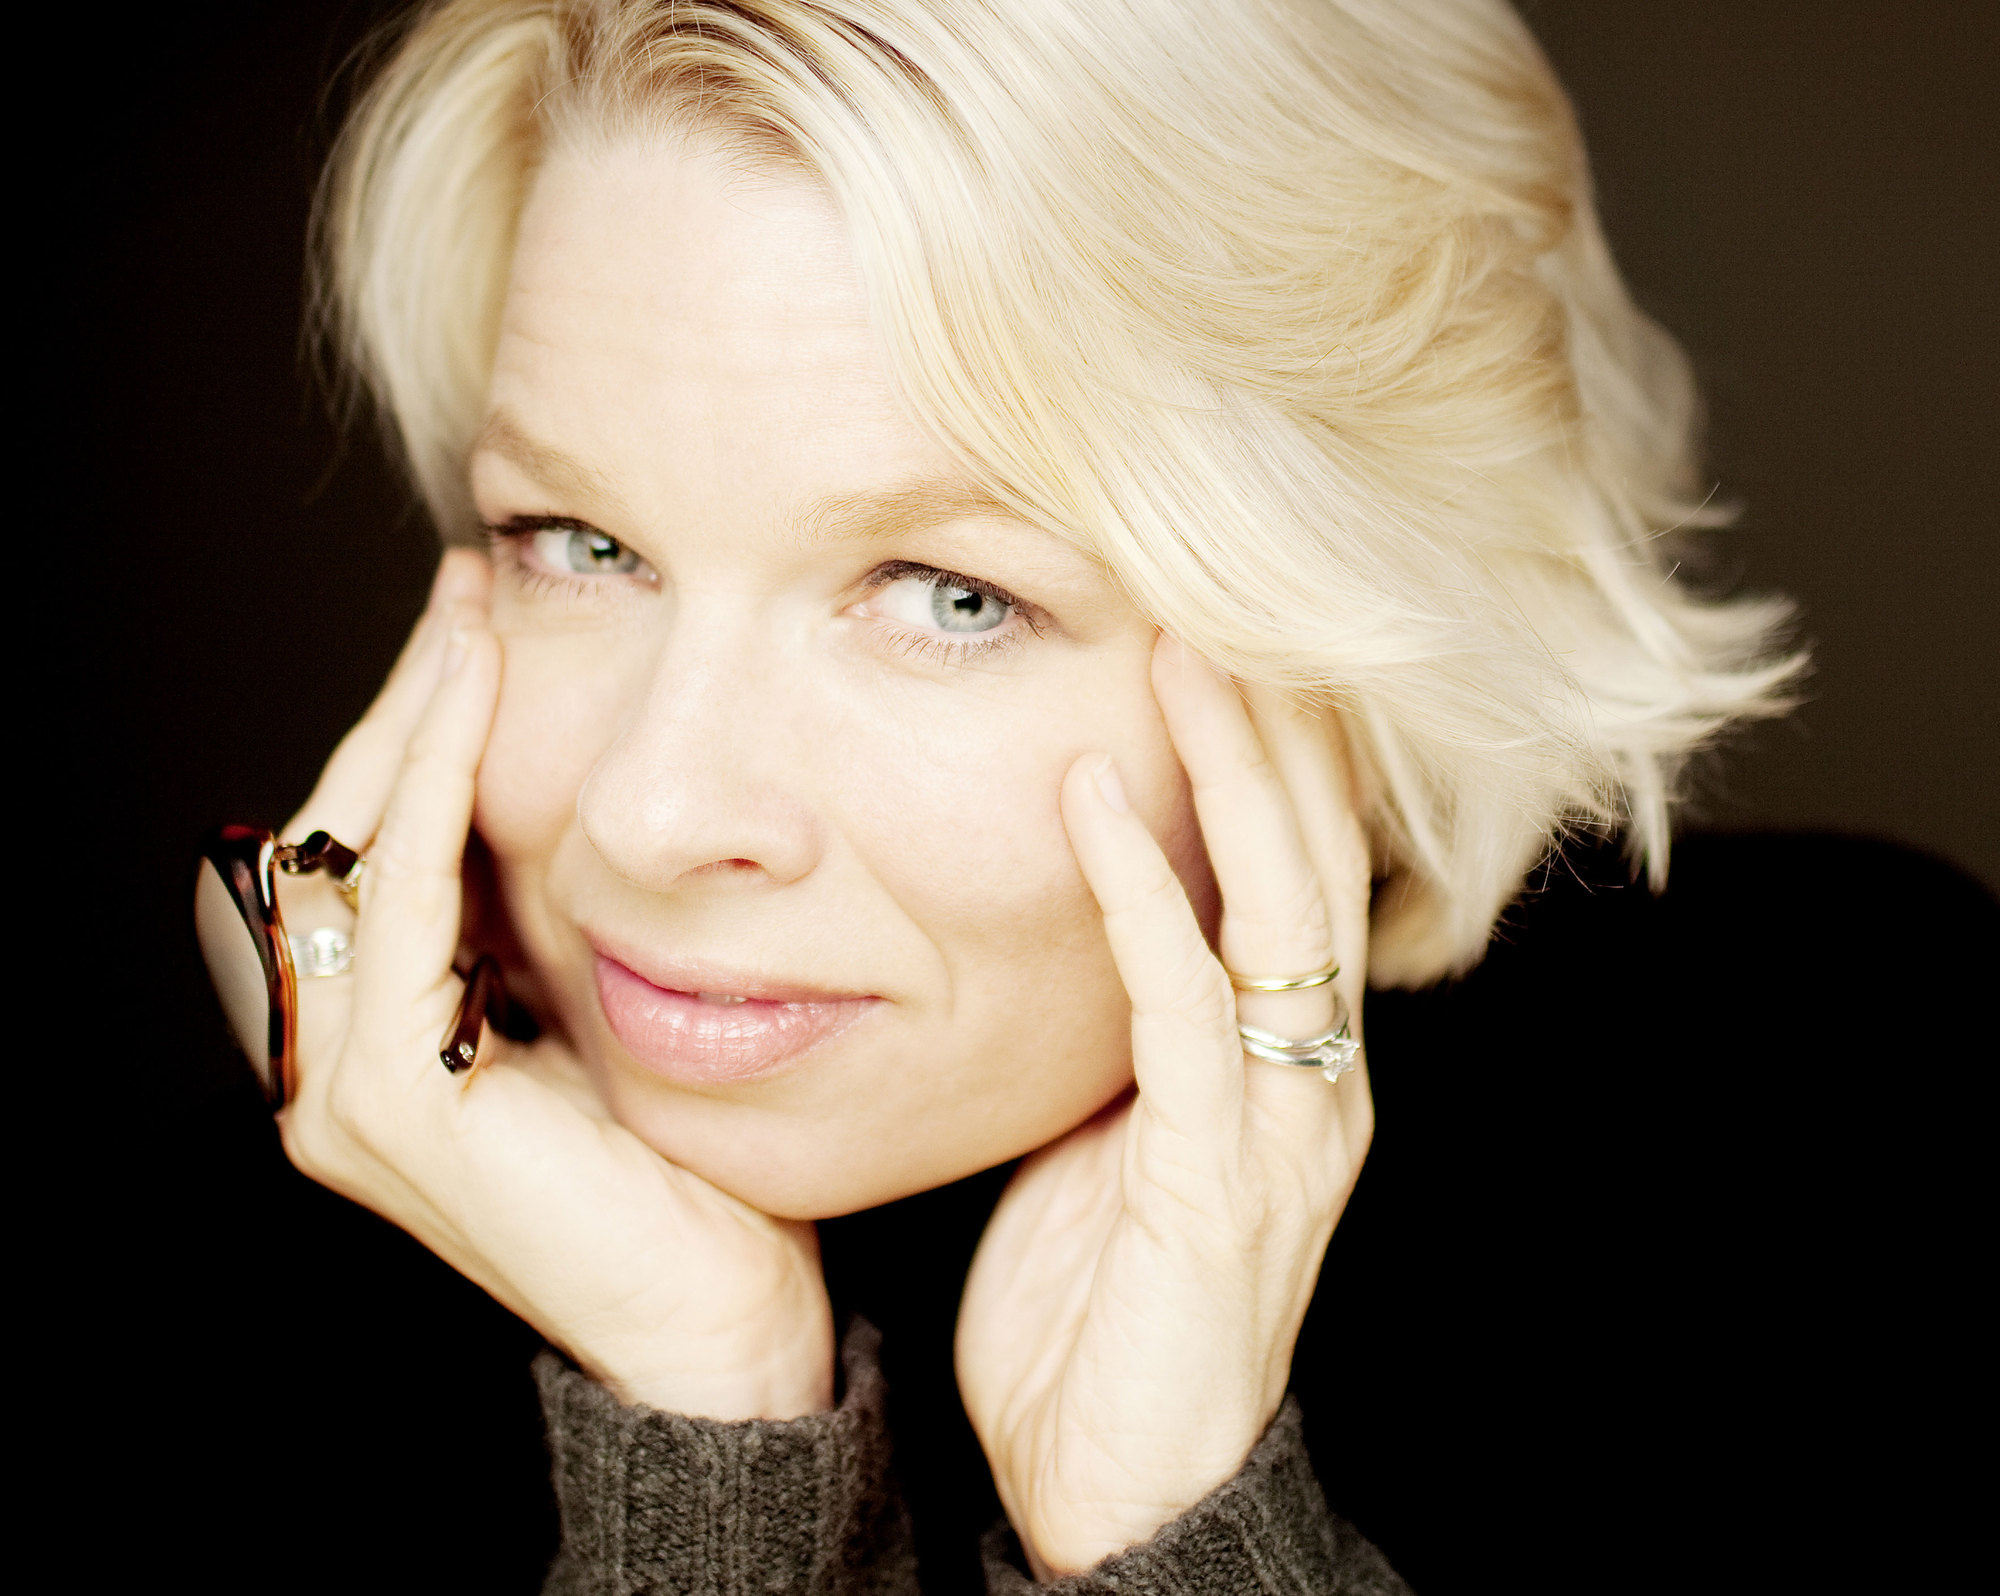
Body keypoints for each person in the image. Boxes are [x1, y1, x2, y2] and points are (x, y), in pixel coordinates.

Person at [189, 1, 1991, 1591]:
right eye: (581, 544)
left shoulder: (1835, 1120)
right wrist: (706, 1452)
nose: (649, 815)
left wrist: (1183, 1538)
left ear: (1355, 615)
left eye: (950, 596)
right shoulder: (338, 1259)